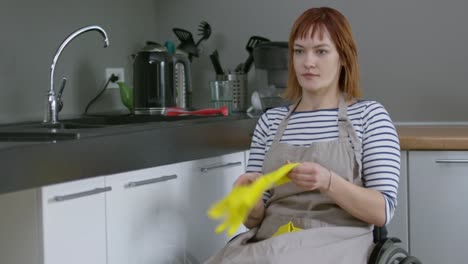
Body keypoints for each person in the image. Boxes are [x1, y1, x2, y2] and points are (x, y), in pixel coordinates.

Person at [205, 6, 400, 264]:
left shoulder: (369, 116)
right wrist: (247, 200)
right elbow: (254, 221)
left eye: (321, 51)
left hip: (337, 245)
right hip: (271, 243)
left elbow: (382, 210)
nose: (308, 62)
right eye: (299, 51)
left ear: (343, 57)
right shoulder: (270, 121)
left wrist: (328, 182)